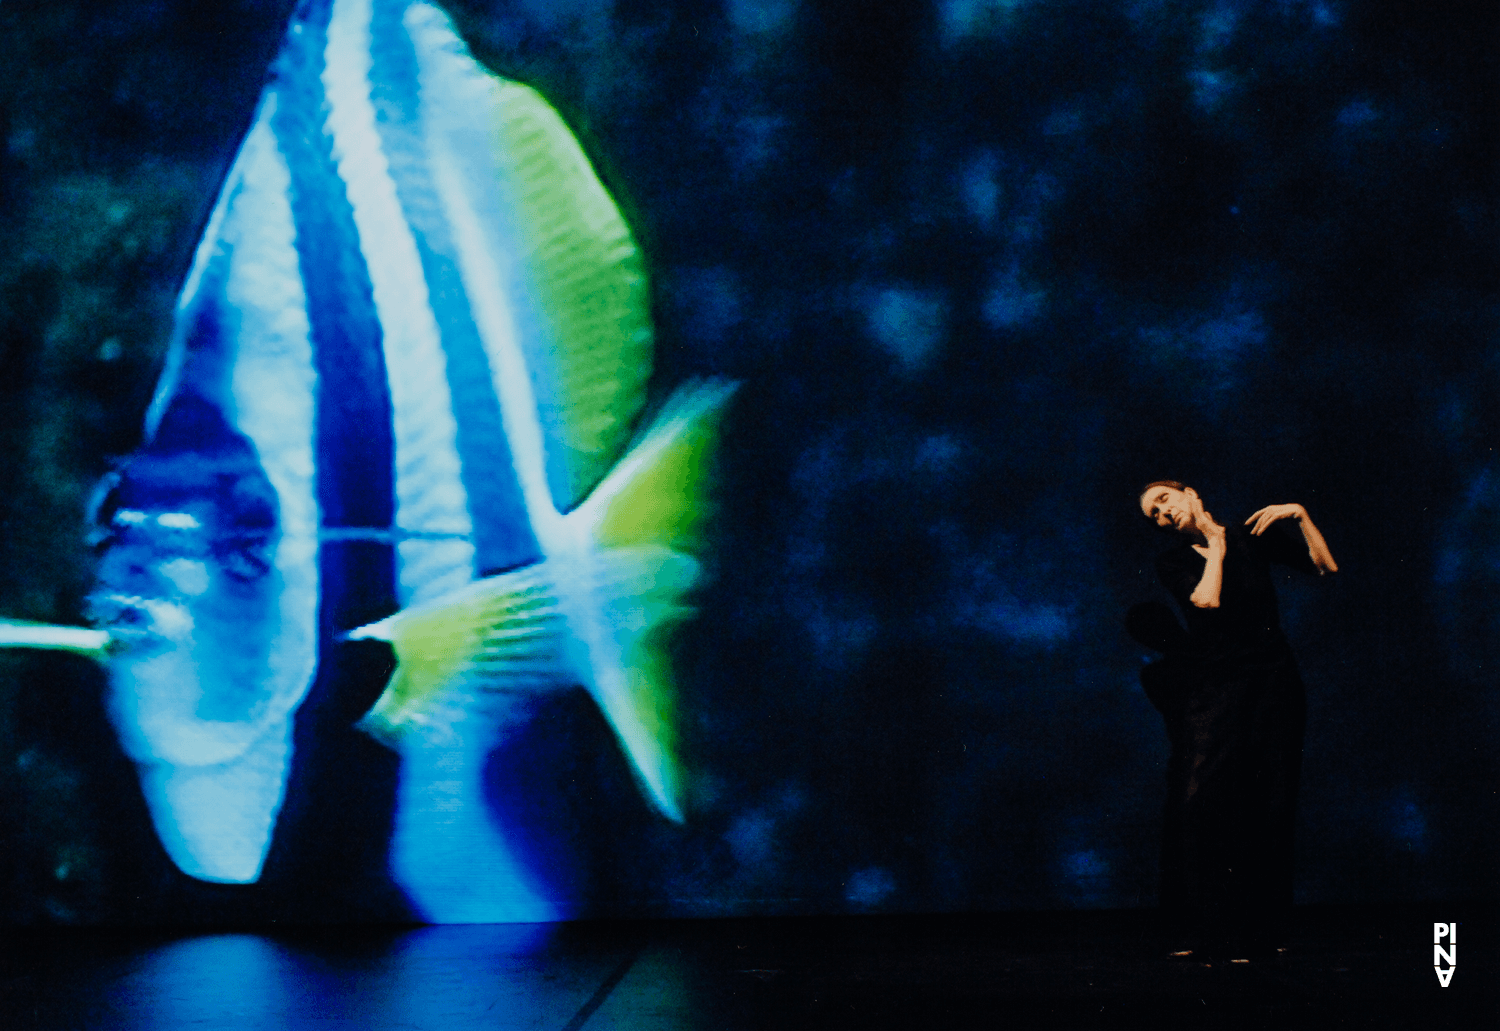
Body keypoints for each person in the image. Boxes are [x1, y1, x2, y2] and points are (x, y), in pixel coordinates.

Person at [1134, 480, 1337, 959]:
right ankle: (1200, 925)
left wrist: (1302, 515)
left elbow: (1325, 568)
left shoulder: (1251, 535)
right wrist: (1216, 544)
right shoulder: (1175, 561)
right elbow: (1207, 601)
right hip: (1220, 686)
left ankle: (1262, 930)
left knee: (1272, 799)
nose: (1162, 515)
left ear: (1187, 492)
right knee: (1202, 800)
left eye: (1163, 502)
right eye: (1154, 516)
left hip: (1274, 681)